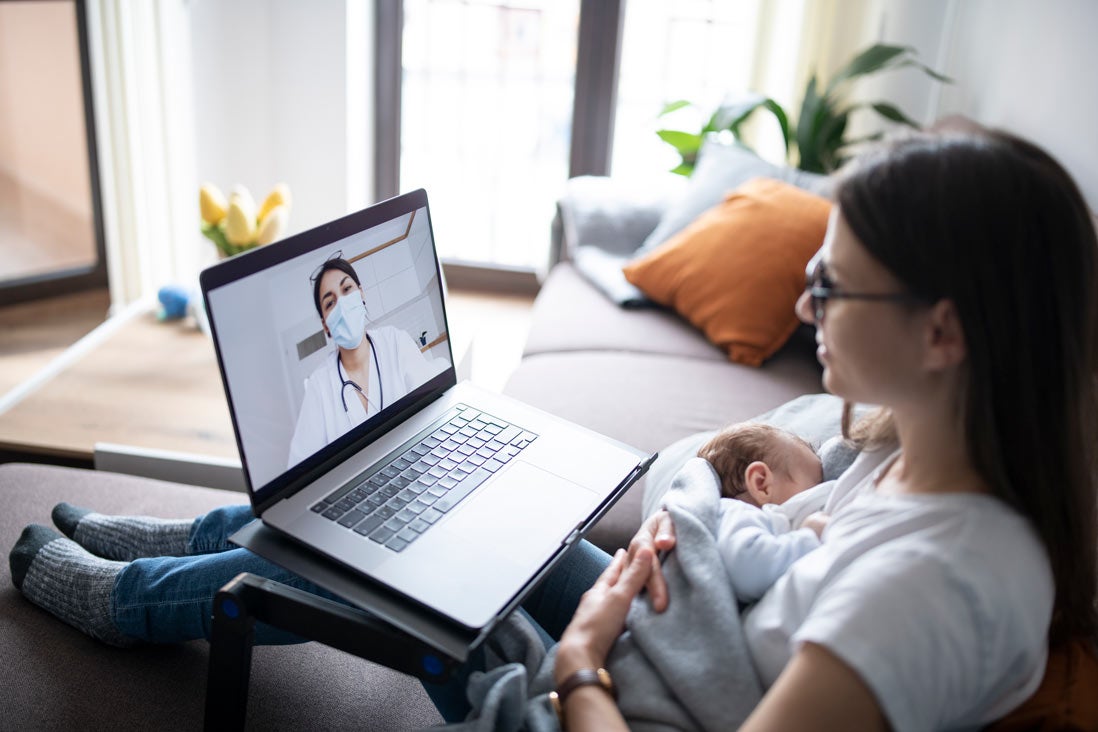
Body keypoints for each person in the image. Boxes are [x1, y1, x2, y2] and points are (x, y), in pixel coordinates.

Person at [7, 130, 1097, 730]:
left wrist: (579, 666)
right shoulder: (915, 450)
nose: (809, 308)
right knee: (410, 500)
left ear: (945, 331)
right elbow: (789, 540)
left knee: (367, 564)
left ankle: (117, 602)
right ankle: (170, 542)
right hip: (664, 625)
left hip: (623, 680)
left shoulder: (940, 589)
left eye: (836, 289)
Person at [287, 255, 441, 467]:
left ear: (361, 293)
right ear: (325, 326)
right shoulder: (319, 385)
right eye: (330, 302)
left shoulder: (395, 341)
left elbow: (434, 410)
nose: (341, 304)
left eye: (347, 289)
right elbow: (300, 466)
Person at [694, 422, 828, 602]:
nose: (822, 490)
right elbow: (748, 568)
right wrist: (809, 536)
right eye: (816, 483)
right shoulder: (734, 511)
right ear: (762, 484)